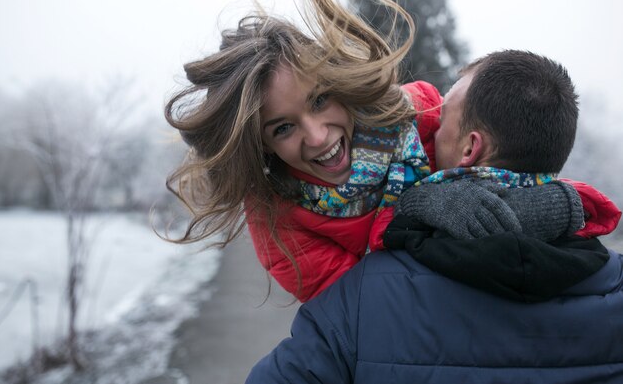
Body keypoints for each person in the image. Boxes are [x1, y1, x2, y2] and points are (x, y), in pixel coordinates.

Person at [164, 0, 607, 302]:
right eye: (283, 127)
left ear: (339, 84)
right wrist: (417, 212)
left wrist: (549, 204)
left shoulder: (423, 112)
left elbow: (524, 178)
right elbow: (371, 309)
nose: (317, 137)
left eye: (320, 101)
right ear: (260, 144)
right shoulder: (278, 222)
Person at [244, 50, 623, 384]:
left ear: (470, 149)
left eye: (441, 120)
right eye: (283, 128)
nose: (425, 132)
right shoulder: (613, 284)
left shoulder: (362, 303)